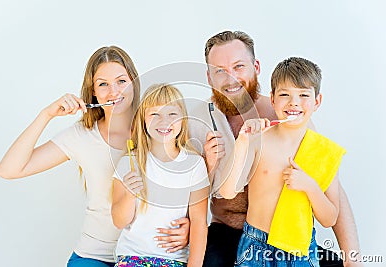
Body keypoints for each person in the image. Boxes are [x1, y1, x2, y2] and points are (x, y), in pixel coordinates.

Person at [0, 46, 189, 267]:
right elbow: (9, 170)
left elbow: (190, 182)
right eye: (103, 84)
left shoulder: (163, 129)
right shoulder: (81, 136)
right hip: (95, 255)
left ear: (134, 83)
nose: (114, 92)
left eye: (121, 81)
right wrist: (46, 114)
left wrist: (190, 227)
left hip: (149, 256)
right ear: (93, 92)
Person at [188, 30, 362, 267]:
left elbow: (329, 185)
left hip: (288, 238)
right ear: (209, 77)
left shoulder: (288, 116)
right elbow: (188, 190)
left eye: (239, 66)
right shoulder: (197, 122)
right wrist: (208, 167)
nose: (231, 79)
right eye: (220, 71)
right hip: (229, 233)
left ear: (256, 67)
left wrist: (353, 257)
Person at [219, 56, 342, 266]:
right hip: (256, 247)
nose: (294, 102)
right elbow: (227, 192)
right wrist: (241, 144)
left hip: (300, 251)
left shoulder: (323, 151)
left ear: (317, 101)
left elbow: (329, 219)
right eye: (285, 94)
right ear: (273, 99)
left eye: (303, 95)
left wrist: (310, 187)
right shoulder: (259, 141)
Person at [111, 83, 210, 267]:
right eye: (154, 114)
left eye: (172, 114)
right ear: (143, 121)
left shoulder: (195, 165)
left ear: (183, 119)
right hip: (132, 257)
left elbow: (198, 222)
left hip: (173, 260)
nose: (164, 121)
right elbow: (118, 221)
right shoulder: (129, 162)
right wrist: (129, 194)